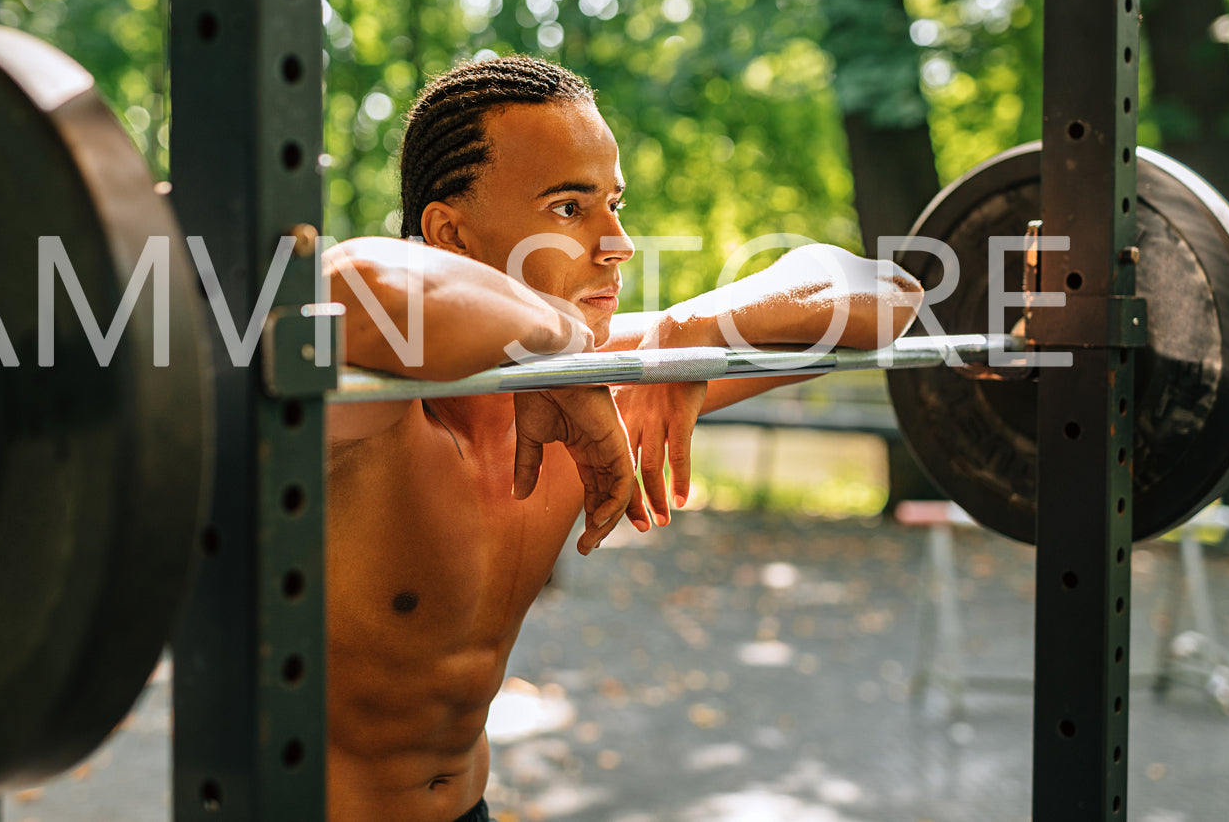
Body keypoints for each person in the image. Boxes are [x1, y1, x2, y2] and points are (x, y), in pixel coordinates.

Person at [322, 55, 921, 822]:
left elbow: (878, 291)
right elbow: (359, 288)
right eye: (569, 208)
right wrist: (557, 351)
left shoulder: (619, 372)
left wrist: (690, 327)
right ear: (450, 233)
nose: (618, 242)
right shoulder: (368, 411)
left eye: (614, 202)